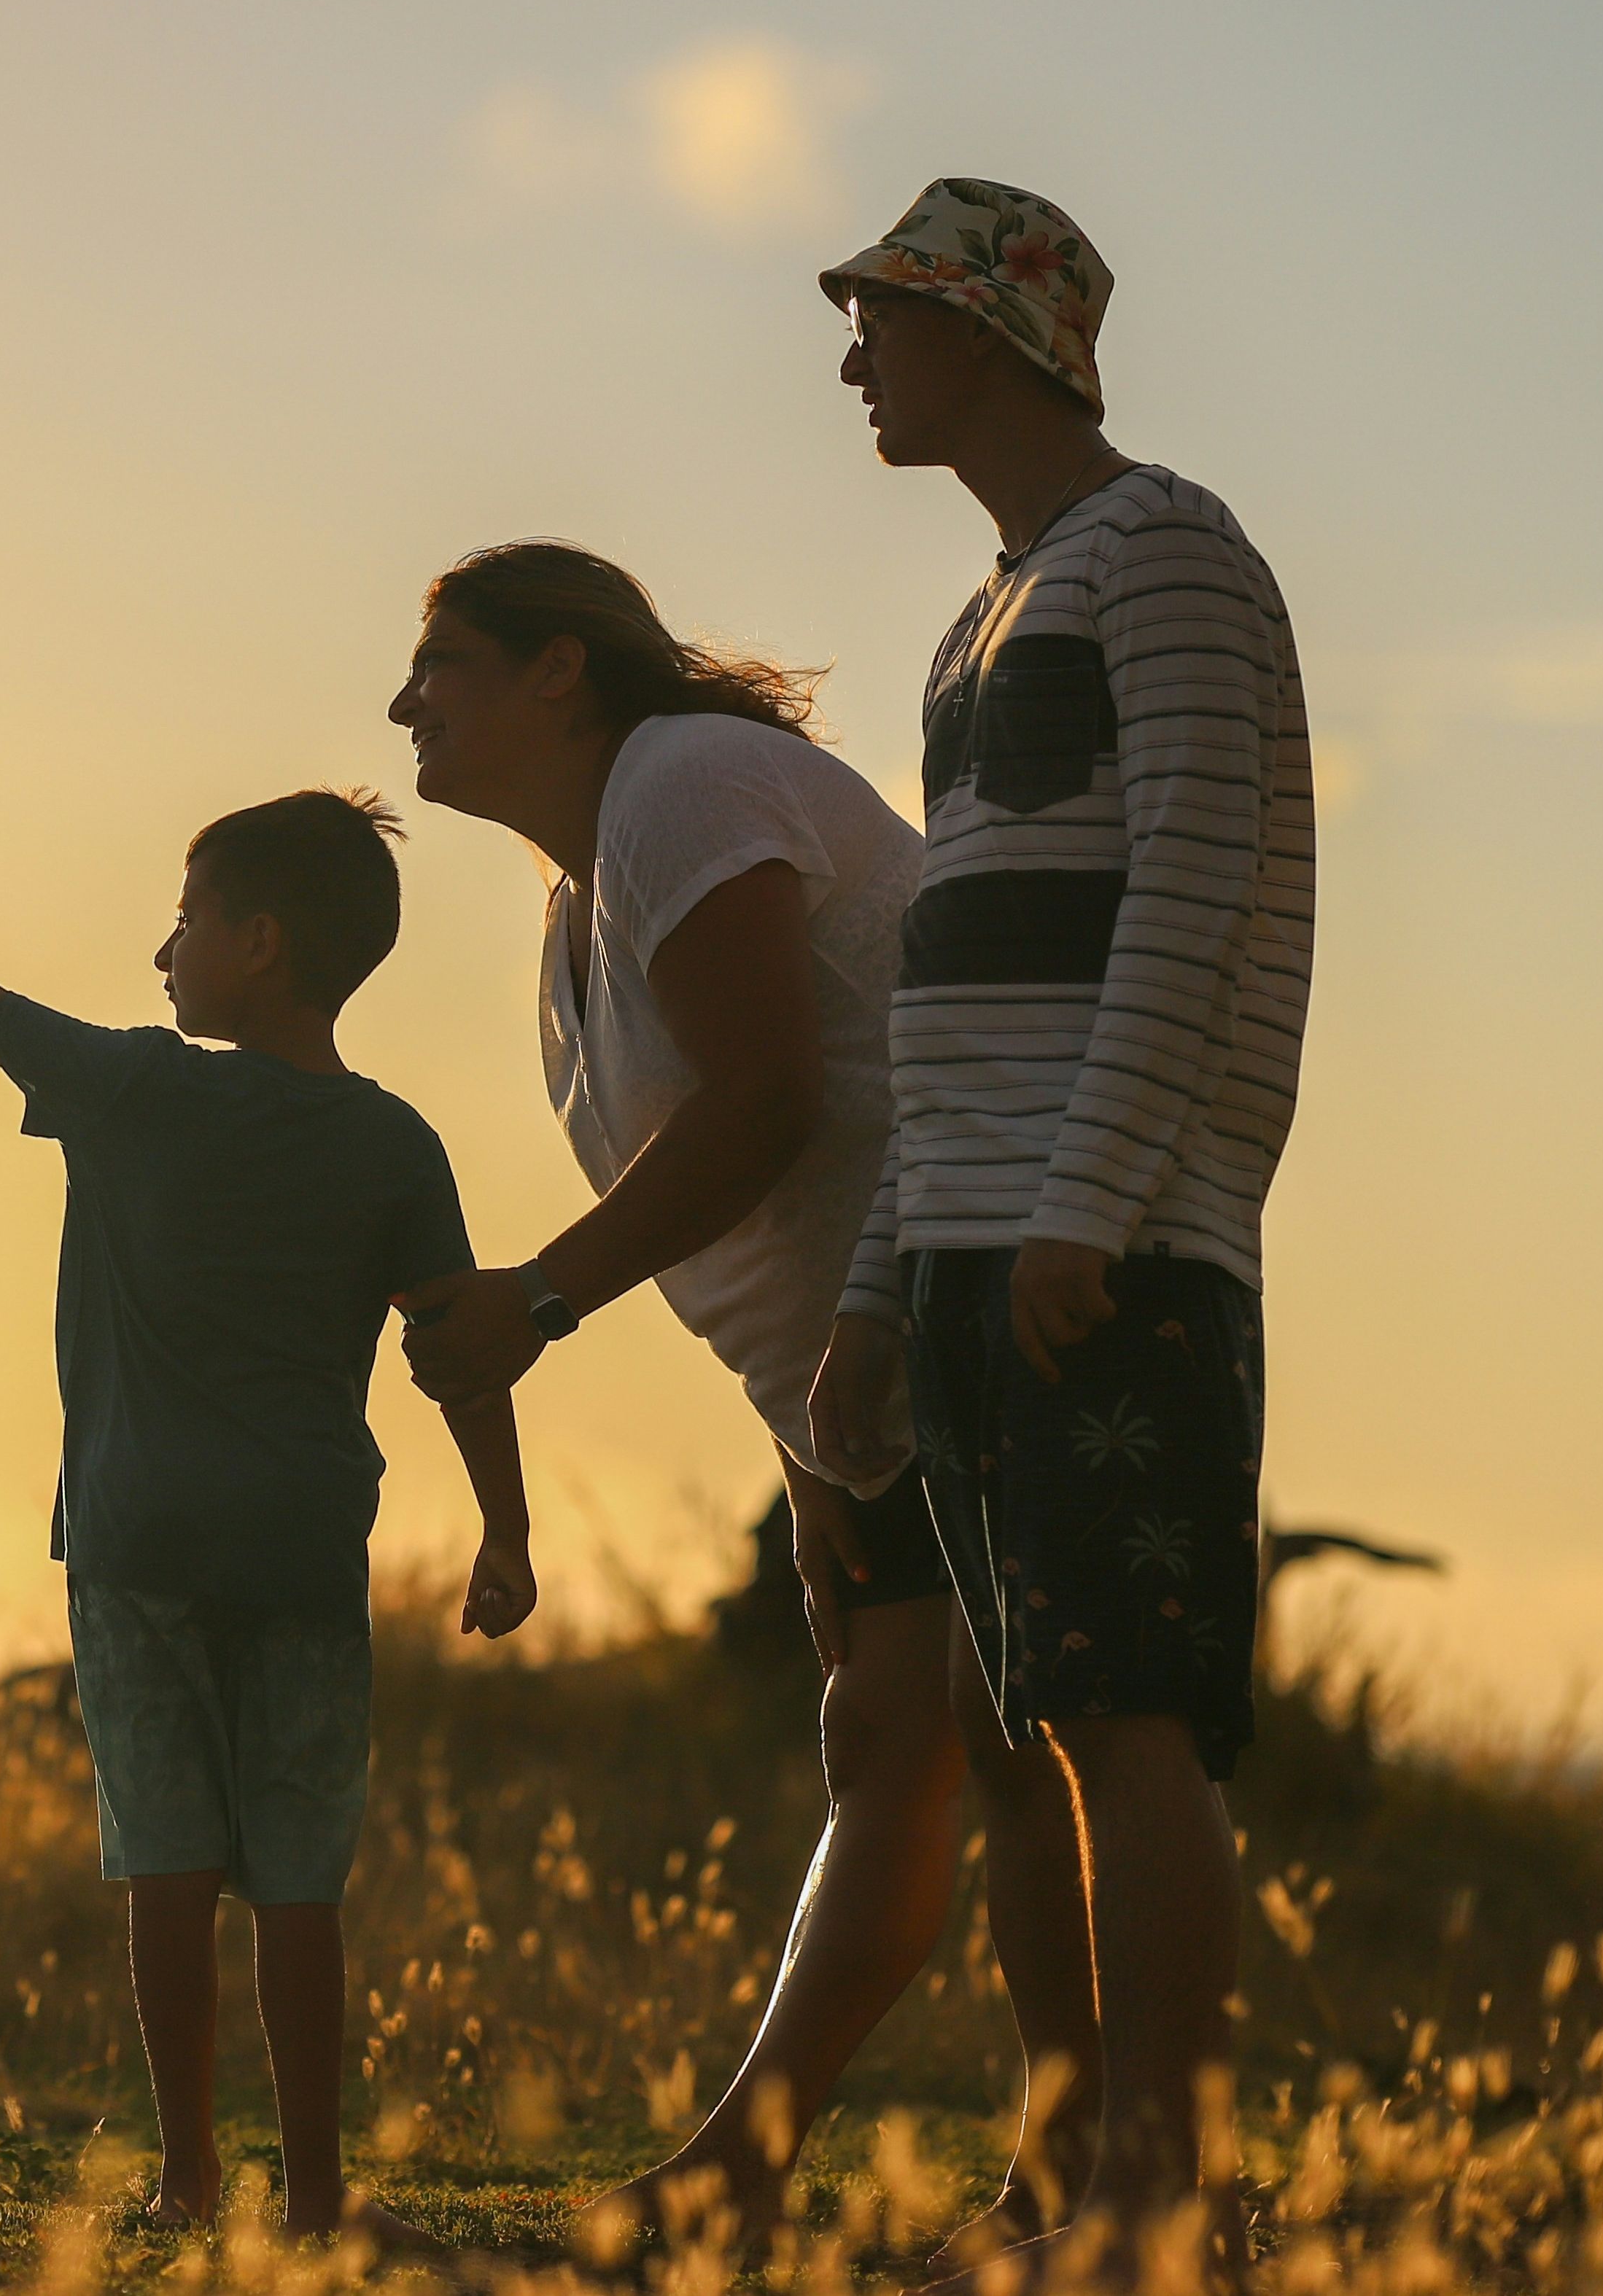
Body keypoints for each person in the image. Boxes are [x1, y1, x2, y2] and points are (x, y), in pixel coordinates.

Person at [0, 789, 533, 2252]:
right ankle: (315, 2200)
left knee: (167, 1867)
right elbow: (456, 1346)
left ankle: (189, 2181)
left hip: (136, 1543)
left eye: (187, 918)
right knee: (297, 1887)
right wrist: (505, 1531)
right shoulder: (395, 1144)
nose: (164, 947)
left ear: (257, 943)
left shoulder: (133, 1087)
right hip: (305, 1548)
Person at [386, 543, 1092, 2245]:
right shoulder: (590, 891)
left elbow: (774, 1099)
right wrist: (811, 1462)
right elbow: (781, 1170)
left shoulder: (683, 787)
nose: (408, 702)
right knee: (900, 1745)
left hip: (982, 1292)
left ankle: (1059, 2184)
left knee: (1008, 1747)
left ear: (561, 672)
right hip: (867, 1367)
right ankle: (844, 2175)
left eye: (444, 664)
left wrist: (540, 1296)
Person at [802, 178, 1316, 2289]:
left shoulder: (1169, 553)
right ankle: (1058, 2186)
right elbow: (952, 974)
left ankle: (1155, 2209)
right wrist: (870, 1282)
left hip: (1101, 1242)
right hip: (966, 1245)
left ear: (999, 342)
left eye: (882, 320)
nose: (851, 359)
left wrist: (1089, 1200)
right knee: (1018, 1732)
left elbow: (1197, 898)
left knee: (1125, 1715)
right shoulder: (982, 609)